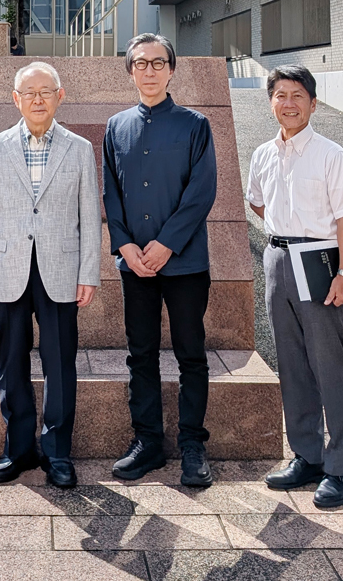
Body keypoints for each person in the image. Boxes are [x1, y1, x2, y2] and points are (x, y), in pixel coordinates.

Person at [0, 61, 101, 488]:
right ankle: (18, 449)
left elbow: (88, 216)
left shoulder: (79, 148)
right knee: (11, 362)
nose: (38, 99)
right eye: (30, 92)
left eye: (46, 91)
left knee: (60, 363)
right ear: (16, 99)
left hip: (61, 269)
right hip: (7, 269)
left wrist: (89, 273)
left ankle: (58, 453)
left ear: (60, 96)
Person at [103, 33, 217, 487]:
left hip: (185, 262)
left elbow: (201, 191)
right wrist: (125, 245)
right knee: (141, 354)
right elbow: (111, 191)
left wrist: (167, 243)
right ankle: (147, 441)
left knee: (191, 354)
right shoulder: (116, 126)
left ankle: (192, 444)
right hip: (135, 264)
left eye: (157, 63)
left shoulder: (195, 124)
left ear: (171, 70)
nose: (148, 71)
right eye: (140, 63)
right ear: (130, 71)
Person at [248, 65, 343, 508]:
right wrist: (284, 239)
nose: (289, 103)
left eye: (298, 95)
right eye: (280, 95)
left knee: (328, 364)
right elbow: (258, 203)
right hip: (278, 257)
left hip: (322, 259)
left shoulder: (331, 154)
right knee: (292, 363)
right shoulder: (262, 153)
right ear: (271, 102)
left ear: (313, 103)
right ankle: (307, 455)